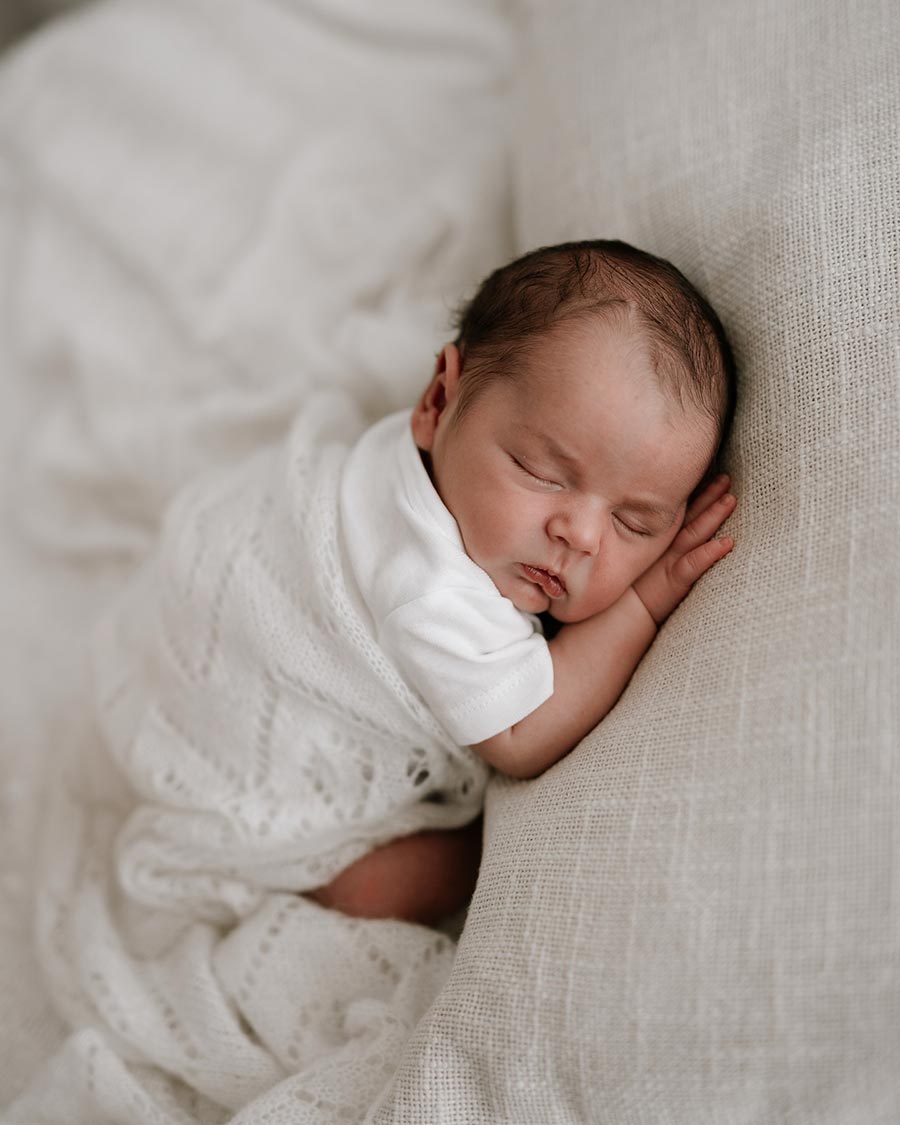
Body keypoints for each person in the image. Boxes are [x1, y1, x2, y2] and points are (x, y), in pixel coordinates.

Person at [308, 238, 738, 926]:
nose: (583, 535)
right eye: (545, 472)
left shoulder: (440, 460)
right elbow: (522, 733)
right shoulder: (431, 587)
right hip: (269, 755)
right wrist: (640, 601)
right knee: (379, 886)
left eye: (635, 522)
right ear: (439, 398)